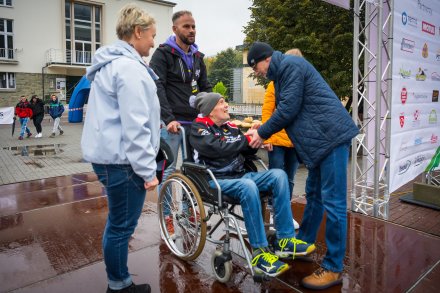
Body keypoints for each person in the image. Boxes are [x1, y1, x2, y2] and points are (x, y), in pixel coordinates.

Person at [245, 42, 359, 290]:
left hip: (330, 138)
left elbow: (288, 109)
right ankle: (304, 243)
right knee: (314, 196)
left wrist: (262, 133)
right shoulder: (284, 72)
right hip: (319, 143)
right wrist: (262, 127)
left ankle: (333, 267)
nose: (257, 72)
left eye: (255, 67)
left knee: (335, 203)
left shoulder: (290, 66)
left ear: (265, 59)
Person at [189, 92, 316, 278]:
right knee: (247, 186)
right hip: (215, 179)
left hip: (240, 175)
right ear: (210, 109)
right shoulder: (199, 128)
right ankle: (259, 253)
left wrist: (257, 137)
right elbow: (217, 148)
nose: (226, 105)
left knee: (279, 176)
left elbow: (246, 150)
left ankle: (285, 239)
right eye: (222, 102)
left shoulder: (230, 127)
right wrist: (244, 139)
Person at [81, 4, 159, 293]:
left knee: (117, 224)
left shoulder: (110, 64)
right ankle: (119, 285)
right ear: (137, 32)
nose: (153, 41)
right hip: (123, 162)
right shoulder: (129, 68)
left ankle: (118, 281)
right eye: (151, 35)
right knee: (120, 227)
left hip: (108, 157)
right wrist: (148, 171)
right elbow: (136, 126)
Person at [149, 10, 212, 236]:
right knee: (167, 172)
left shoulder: (198, 57)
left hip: (193, 123)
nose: (191, 30)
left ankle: (187, 211)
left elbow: (205, 87)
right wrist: (168, 119)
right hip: (171, 124)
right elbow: (158, 87)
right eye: (186, 26)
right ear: (175, 29)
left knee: (191, 169)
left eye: (193, 26)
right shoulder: (163, 54)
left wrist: (212, 111)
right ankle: (167, 216)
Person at [260, 48, 303, 230]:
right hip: (276, 140)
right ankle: (274, 214)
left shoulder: (300, 84)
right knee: (276, 179)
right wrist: (266, 137)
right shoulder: (274, 84)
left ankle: (285, 214)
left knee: (291, 179)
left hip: (294, 141)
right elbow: (267, 110)